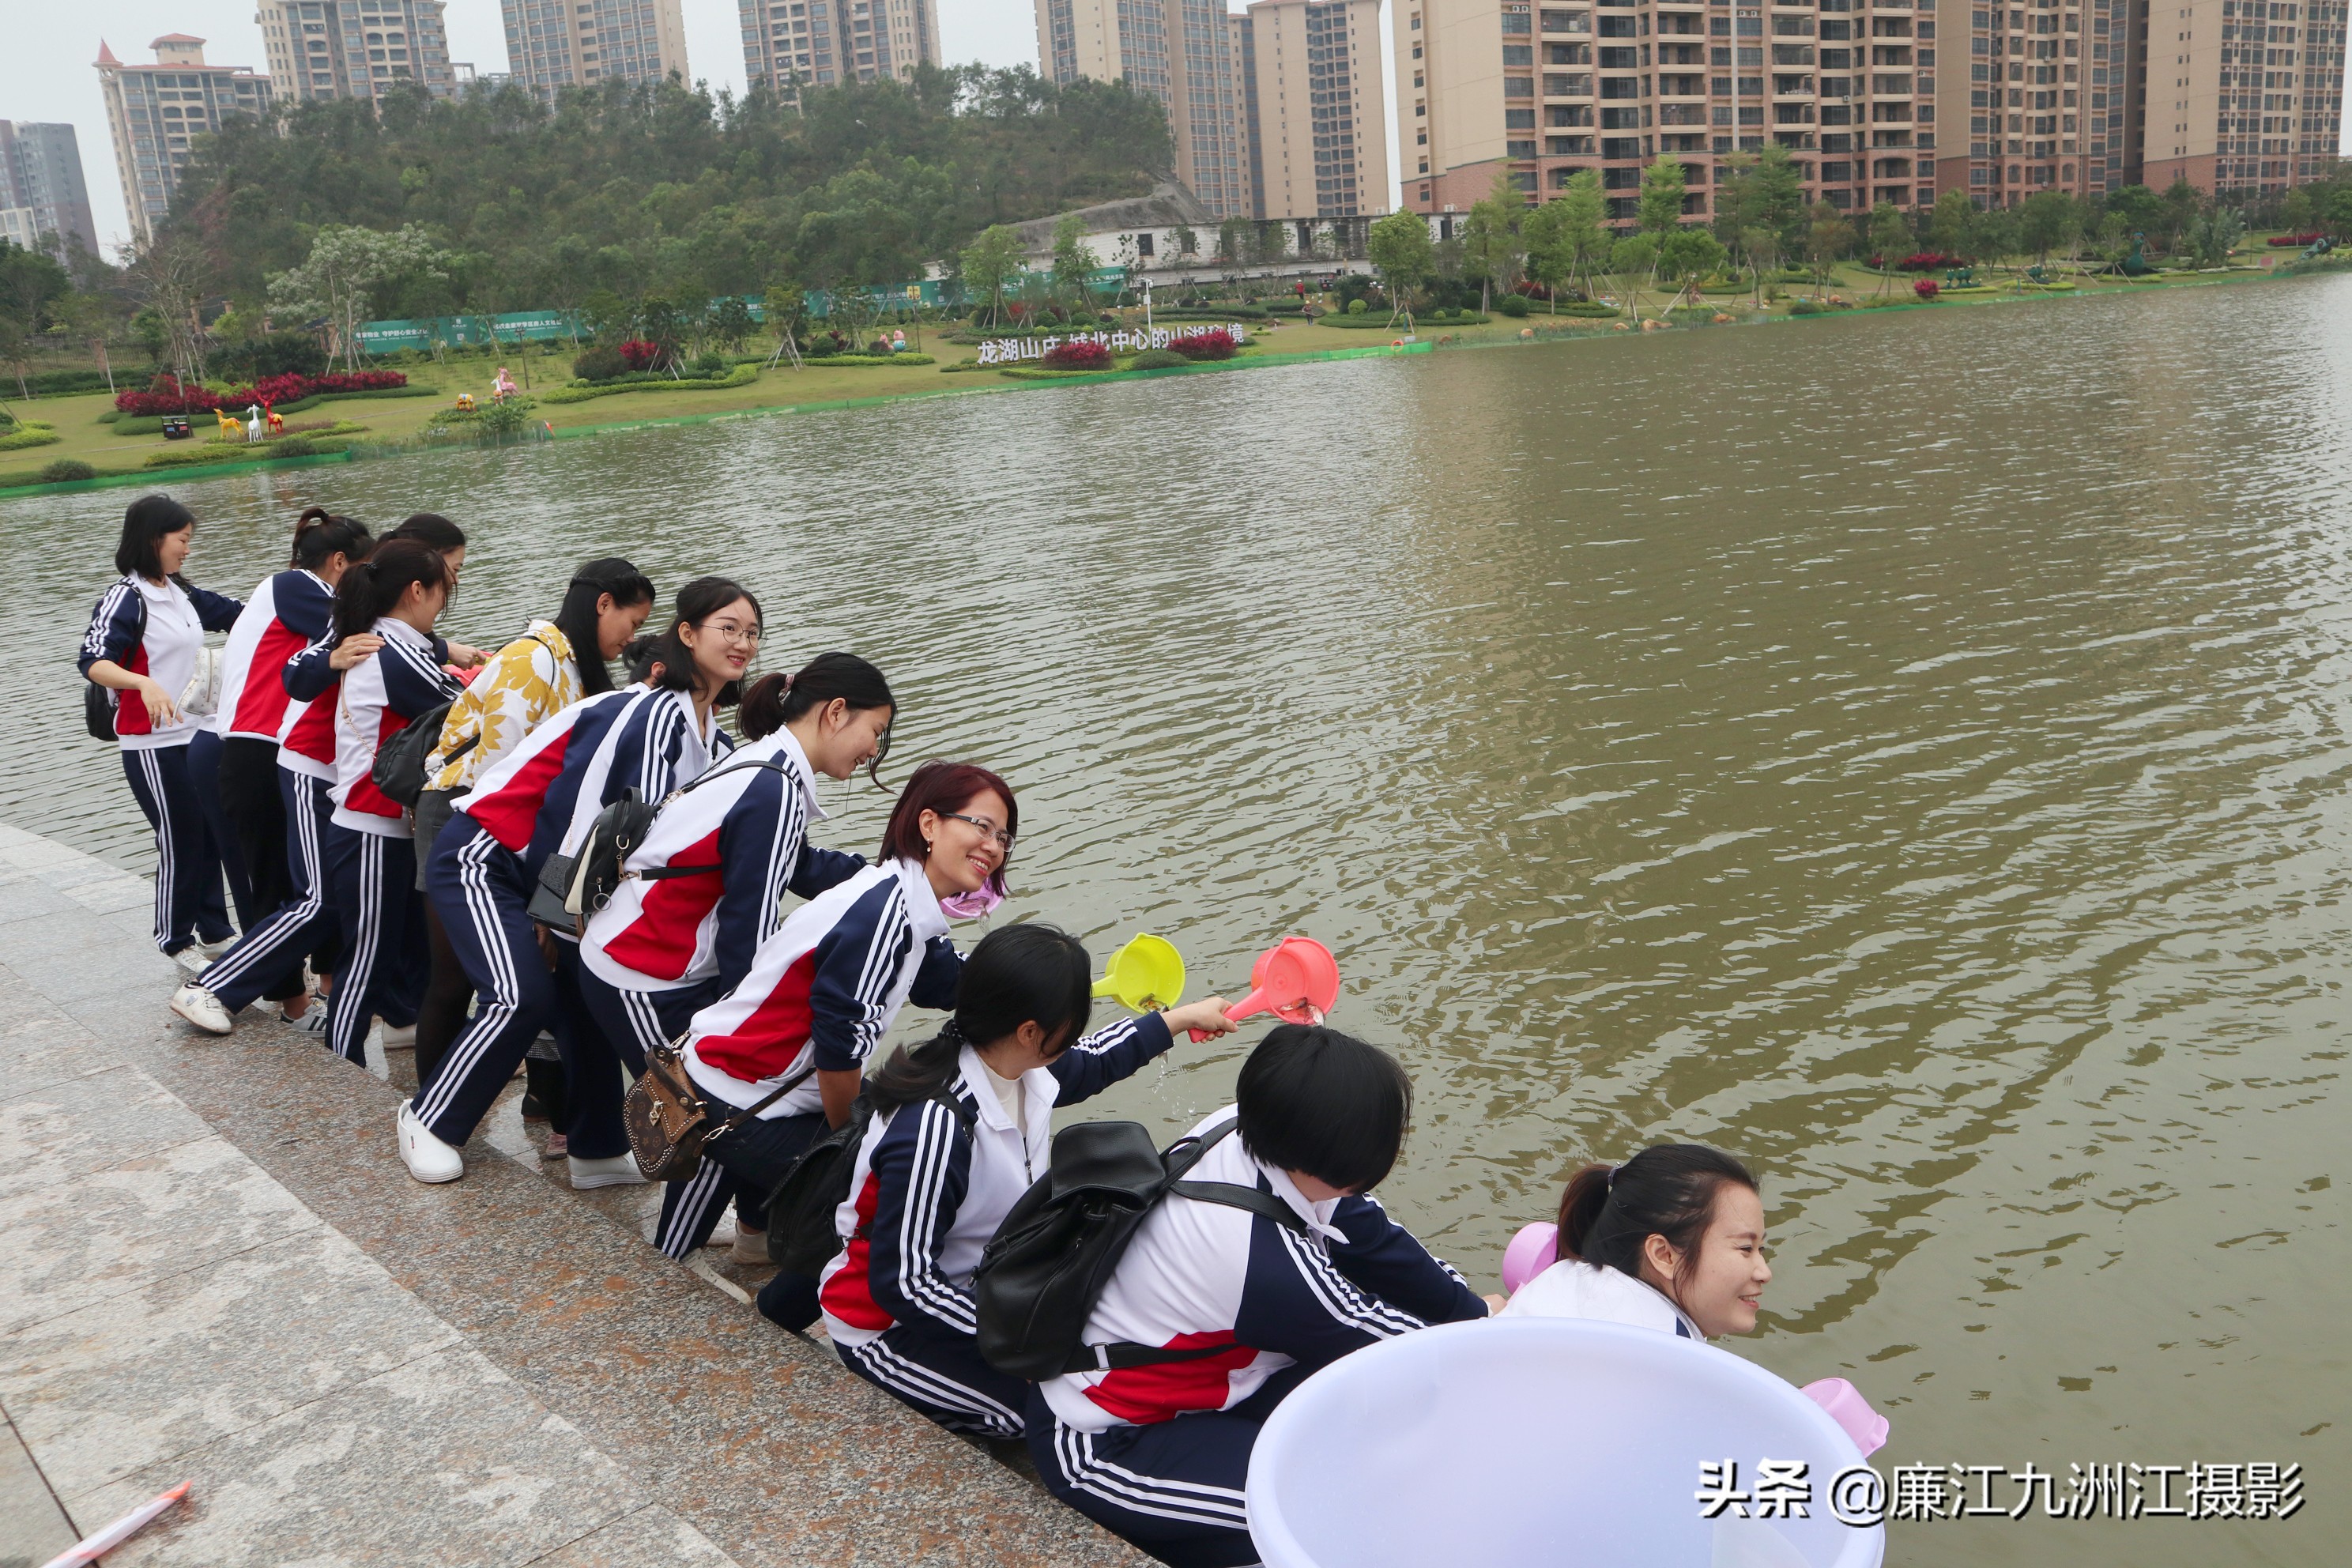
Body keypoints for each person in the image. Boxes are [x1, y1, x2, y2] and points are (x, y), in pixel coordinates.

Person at [1027, 1024, 1498, 1568]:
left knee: (1385, 1436)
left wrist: (1472, 1312)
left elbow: (1373, 1239)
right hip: (1106, 1439)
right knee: (1320, 1513)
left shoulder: (1245, 1127)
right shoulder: (1264, 1265)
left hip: (1208, 1384)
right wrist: (1491, 1346)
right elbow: (1389, 1343)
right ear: (1320, 1157)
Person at [804, 922, 1238, 1438]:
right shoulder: (936, 1129)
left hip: (982, 1285)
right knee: (1042, 1418)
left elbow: (1097, 1060)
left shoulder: (1024, 1069)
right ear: (1031, 1032)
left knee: (1093, 1373)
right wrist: (1022, 1346)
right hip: (888, 1328)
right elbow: (904, 1283)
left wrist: (1183, 1018)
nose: (1078, 1035)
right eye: (1072, 1024)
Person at [388, 582, 740, 1185]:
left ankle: (597, 1148)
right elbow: (576, 825)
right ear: (685, 636)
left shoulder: (712, 741)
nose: (742, 642)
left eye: (751, 632)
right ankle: (429, 1117)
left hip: (553, 879)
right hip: (484, 855)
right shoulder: (646, 712)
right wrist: (548, 916)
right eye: (727, 628)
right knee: (522, 995)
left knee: (591, 995)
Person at [573, 653, 894, 1235]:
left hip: (638, 954)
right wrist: (734, 1033)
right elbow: (748, 929)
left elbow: (791, 862)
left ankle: (752, 1233)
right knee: (713, 1108)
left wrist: (887, 879)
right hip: (641, 969)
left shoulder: (766, 763)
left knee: (729, 1098)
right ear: (837, 713)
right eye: (875, 732)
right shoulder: (774, 788)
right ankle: (671, 1265)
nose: (874, 749)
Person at [645, 760, 1015, 1261]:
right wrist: (853, 1153)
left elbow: (941, 983)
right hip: (736, 1096)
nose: (992, 846)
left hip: (721, 1068)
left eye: (1003, 837)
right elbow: (839, 1057)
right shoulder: (885, 919)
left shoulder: (896, 893)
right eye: (981, 826)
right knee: (882, 1179)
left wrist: (1027, 980)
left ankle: (709, 1249)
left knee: (879, 1121)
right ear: (929, 824)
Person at [410, 557, 656, 1099]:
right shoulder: (534, 659)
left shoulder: (574, 669)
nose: (631, 637)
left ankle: (546, 1106)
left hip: (519, 826)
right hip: (467, 816)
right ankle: (431, 1102)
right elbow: (500, 775)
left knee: (544, 966)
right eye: (632, 623)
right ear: (602, 604)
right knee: (455, 978)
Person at [170, 510, 373, 1035]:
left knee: (308, 884)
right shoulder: (294, 585)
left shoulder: (292, 591)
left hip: (264, 750)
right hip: (251, 750)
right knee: (278, 885)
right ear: (339, 563)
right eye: (366, 571)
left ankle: (322, 995)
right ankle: (282, 1004)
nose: (368, 585)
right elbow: (367, 630)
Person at [77, 496, 244, 967]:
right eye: (182, 540)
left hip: (197, 735)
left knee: (210, 830)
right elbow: (93, 662)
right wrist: (140, 681)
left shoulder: (179, 592)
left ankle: (214, 930)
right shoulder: (125, 598)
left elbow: (242, 616)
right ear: (154, 539)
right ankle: (175, 939)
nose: (187, 550)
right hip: (152, 741)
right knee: (179, 836)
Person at [317, 541, 465, 1067]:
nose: (443, 608)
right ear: (417, 591)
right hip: (369, 831)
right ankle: (339, 1070)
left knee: (407, 955)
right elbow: (460, 708)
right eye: (444, 592)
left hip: (385, 828)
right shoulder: (391, 651)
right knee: (367, 960)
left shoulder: (394, 644)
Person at [1499, 1145, 1769, 1340]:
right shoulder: (1667, 1355)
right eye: (1745, 1248)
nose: (1764, 1273)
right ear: (1664, 1255)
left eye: (1761, 1250)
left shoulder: (1562, 1274)